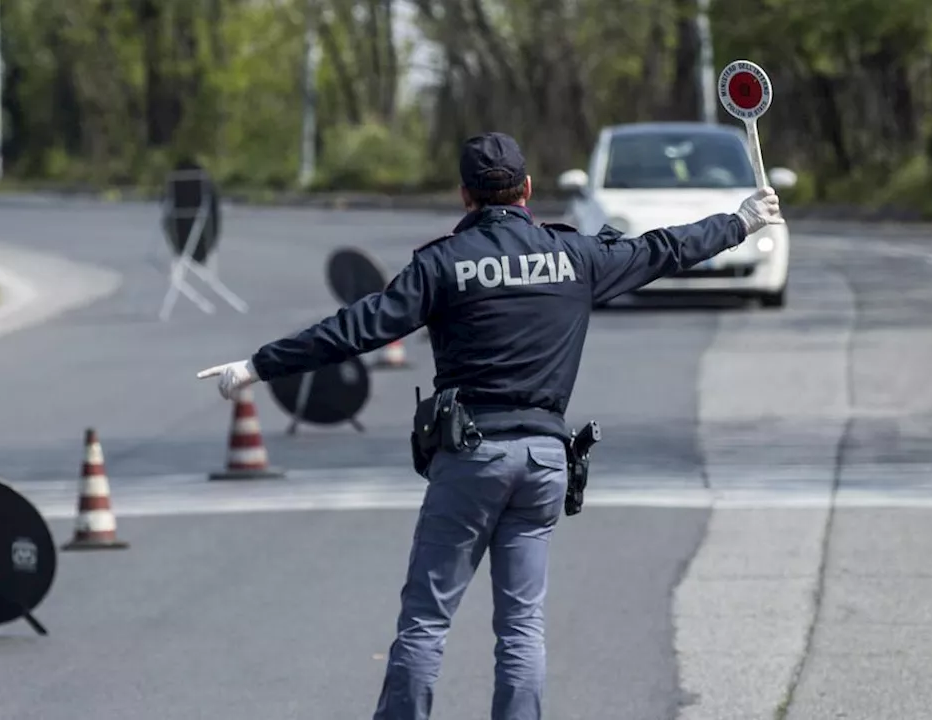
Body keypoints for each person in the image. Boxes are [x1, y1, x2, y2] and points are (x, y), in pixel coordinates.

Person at [195, 131, 785, 719]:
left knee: (426, 621)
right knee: (522, 628)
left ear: (464, 196)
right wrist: (740, 221)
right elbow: (665, 248)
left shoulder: (441, 264)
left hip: (471, 457)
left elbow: (358, 327)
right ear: (527, 190)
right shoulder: (576, 256)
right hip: (546, 463)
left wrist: (257, 366)